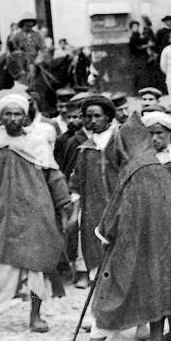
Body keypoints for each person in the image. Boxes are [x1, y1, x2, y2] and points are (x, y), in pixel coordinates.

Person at [55, 117, 171, 341]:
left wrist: (104, 235)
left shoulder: (133, 173)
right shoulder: (158, 170)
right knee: (155, 298)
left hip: (132, 249)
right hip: (162, 251)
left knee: (110, 295)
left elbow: (117, 213)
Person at [0, 91, 71, 334]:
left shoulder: (37, 144)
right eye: (7, 114)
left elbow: (54, 175)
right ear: (1, 116)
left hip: (37, 213)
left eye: (17, 114)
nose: (12, 119)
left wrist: (64, 205)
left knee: (37, 264)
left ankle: (35, 316)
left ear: (25, 116)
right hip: (4, 215)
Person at [68, 94, 118, 286]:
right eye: (88, 116)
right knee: (94, 251)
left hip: (118, 207)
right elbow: (76, 184)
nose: (92, 121)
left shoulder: (119, 143)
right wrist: (74, 215)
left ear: (108, 117)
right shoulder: (85, 149)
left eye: (97, 116)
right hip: (93, 210)